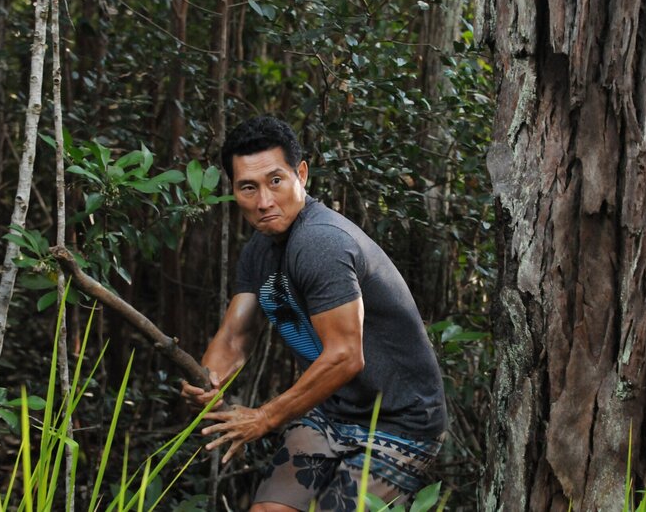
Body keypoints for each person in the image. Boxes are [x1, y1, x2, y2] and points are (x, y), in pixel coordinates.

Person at [181, 116, 447, 511]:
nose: (264, 202)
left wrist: (265, 417)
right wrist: (209, 380)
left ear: (301, 174)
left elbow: (346, 356)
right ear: (233, 190)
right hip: (332, 412)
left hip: (399, 423)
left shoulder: (320, 242)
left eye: (275, 181)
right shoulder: (259, 249)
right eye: (248, 187)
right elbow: (237, 336)